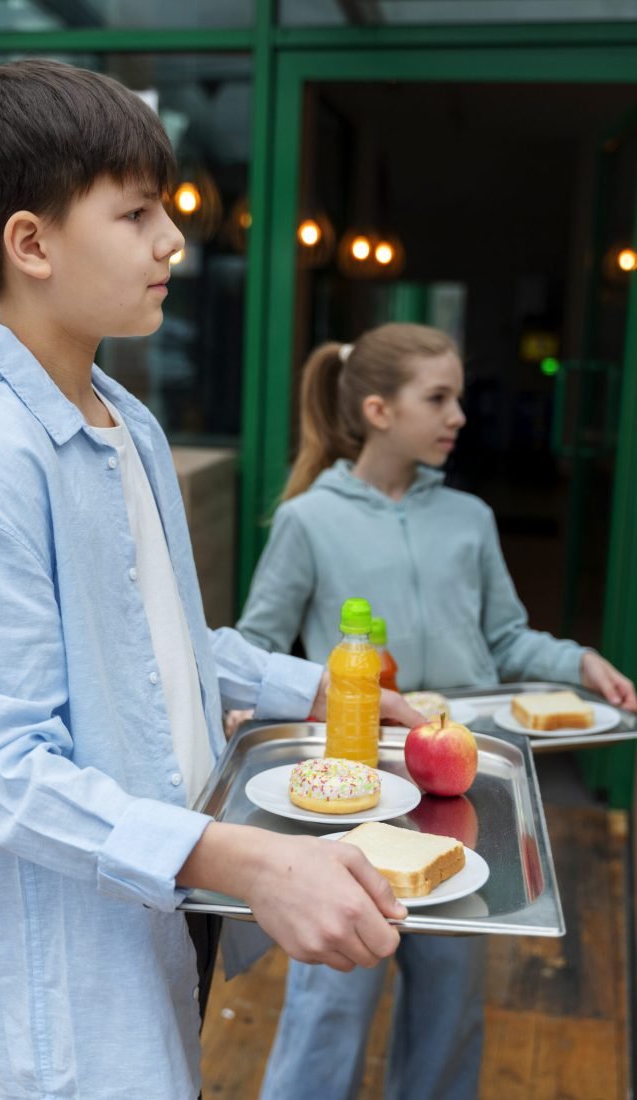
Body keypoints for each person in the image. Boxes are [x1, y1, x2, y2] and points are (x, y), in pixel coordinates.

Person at [0, 62, 421, 1100]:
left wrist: (317, 690)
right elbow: (0, 770)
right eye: (133, 213)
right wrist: (250, 861)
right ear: (29, 244)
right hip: (75, 980)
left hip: (167, 910)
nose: (173, 240)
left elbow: (160, 637)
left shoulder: (128, 424)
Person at [237, 323, 637, 1100]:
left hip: (466, 790)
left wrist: (579, 661)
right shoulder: (308, 522)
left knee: (452, 1001)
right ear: (380, 410)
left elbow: (508, 636)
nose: (459, 415)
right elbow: (256, 646)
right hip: (354, 791)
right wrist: (242, 708)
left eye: (458, 396)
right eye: (439, 398)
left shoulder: (471, 520)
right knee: (332, 999)